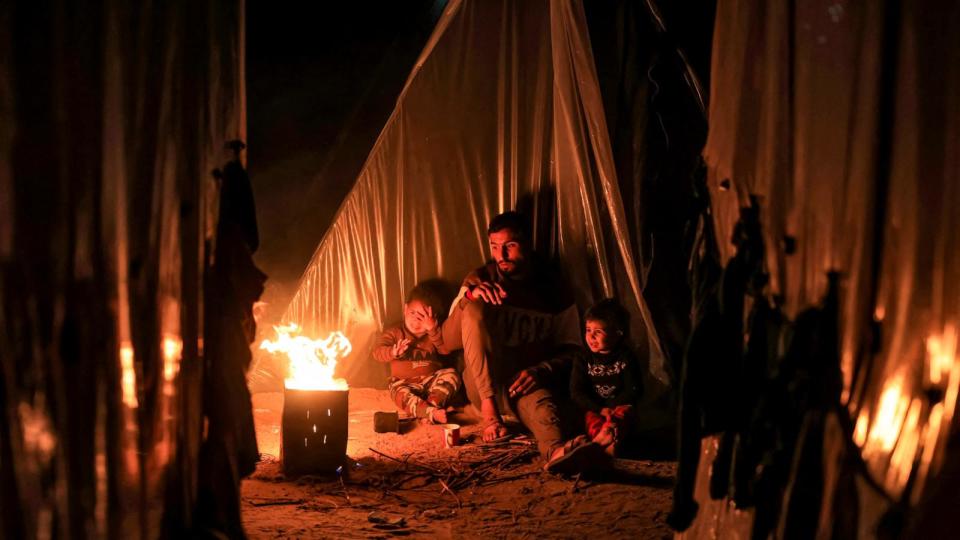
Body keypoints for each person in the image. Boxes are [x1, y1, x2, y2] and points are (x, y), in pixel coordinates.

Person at [440, 211, 594, 470]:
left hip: (521, 383)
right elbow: (446, 342)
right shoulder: (480, 278)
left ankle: (556, 454)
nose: (501, 256)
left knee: (544, 409)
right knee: (475, 308)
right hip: (483, 382)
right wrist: (469, 296)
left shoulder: (553, 288)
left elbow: (574, 349)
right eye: (494, 247)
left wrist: (541, 370)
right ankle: (490, 416)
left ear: (527, 244)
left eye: (509, 246)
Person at [373, 283, 461, 424]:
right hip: (404, 383)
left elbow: (444, 350)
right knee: (398, 392)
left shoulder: (434, 334)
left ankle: (429, 410)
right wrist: (393, 351)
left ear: (433, 318)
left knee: (452, 375)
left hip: (431, 381)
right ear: (405, 309)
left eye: (423, 316)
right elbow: (377, 352)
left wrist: (432, 330)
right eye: (413, 313)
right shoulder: (394, 332)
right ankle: (430, 413)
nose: (415, 320)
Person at [569, 298, 642, 457]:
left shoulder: (626, 356)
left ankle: (608, 441)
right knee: (592, 419)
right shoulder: (582, 357)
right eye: (588, 330)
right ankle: (599, 442)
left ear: (617, 333)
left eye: (598, 332)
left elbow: (634, 389)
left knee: (623, 414)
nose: (591, 337)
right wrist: (600, 409)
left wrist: (612, 407)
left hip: (617, 407)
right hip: (595, 407)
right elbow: (576, 392)